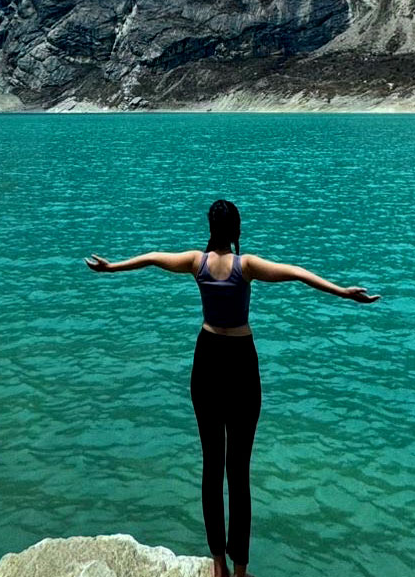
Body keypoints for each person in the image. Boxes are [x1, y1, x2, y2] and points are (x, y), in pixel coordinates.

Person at [84, 199, 380, 577]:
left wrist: (112, 267)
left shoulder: (197, 262)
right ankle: (240, 571)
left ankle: (218, 565)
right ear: (237, 231)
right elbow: (296, 273)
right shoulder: (246, 266)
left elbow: (155, 257)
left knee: (212, 467)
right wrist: (342, 292)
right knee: (238, 472)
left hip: (207, 363)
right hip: (240, 364)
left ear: (210, 229)